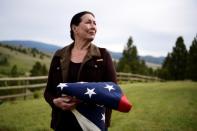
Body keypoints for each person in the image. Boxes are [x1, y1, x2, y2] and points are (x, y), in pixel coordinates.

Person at [44, 11, 117, 131]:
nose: (93, 26)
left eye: (95, 23)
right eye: (88, 22)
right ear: (75, 28)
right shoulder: (59, 55)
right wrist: (55, 101)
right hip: (62, 123)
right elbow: (48, 91)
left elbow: (113, 90)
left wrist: (85, 97)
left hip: (91, 125)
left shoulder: (102, 55)